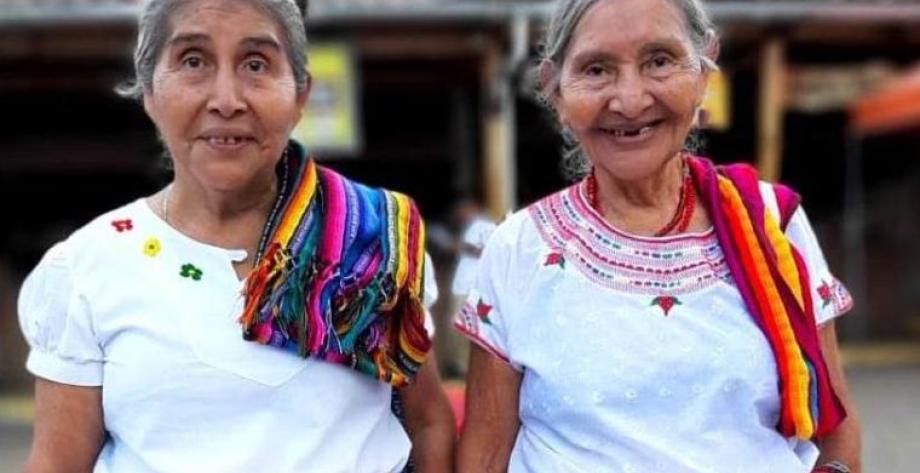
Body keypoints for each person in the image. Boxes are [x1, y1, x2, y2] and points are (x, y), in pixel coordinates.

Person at [17, 1, 454, 471]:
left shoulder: (372, 239)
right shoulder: (88, 269)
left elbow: (428, 425)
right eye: (193, 61)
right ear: (149, 91)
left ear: (300, 93)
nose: (226, 100)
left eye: (255, 64)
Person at [454, 0, 861, 472]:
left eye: (660, 61)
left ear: (705, 72)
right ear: (556, 91)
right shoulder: (518, 249)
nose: (630, 100)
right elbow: (484, 456)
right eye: (597, 69)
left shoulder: (770, 222)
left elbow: (837, 429)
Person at [438, 199, 496, 377]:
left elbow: (487, 250)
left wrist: (460, 246)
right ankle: (459, 365)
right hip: (462, 284)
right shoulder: (467, 228)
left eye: (462, 209)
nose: (459, 214)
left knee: (470, 327)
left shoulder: (486, 224)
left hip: (473, 286)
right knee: (455, 325)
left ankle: (467, 367)